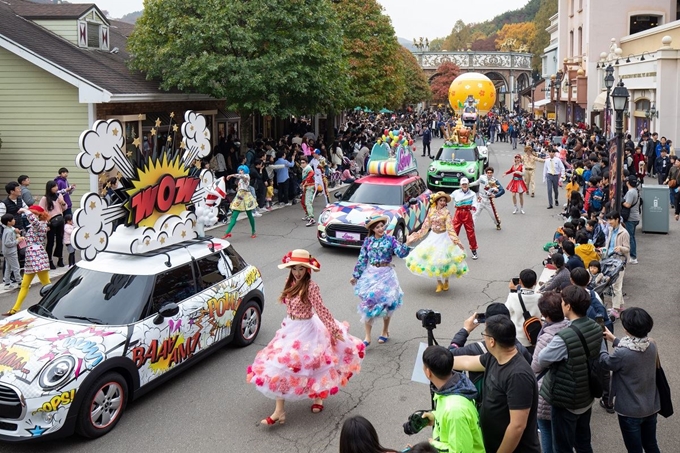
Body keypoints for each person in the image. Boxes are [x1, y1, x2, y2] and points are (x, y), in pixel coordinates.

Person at [247, 249, 363, 425]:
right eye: (294, 268)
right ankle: (279, 411)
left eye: (301, 269)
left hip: (307, 329)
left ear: (308, 269)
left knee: (314, 364)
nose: (297, 272)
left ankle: (318, 397)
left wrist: (333, 330)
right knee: (280, 365)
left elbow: (321, 309)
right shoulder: (290, 281)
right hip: (290, 327)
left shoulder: (311, 286)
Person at [451, 315, 541, 453]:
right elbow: (468, 362)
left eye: (484, 335)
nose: (484, 339)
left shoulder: (518, 375)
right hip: (492, 444)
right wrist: (441, 360)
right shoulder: (494, 357)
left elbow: (517, 426)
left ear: (492, 341)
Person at [537, 286, 603, 453]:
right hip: (586, 394)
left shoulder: (564, 337)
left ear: (568, 306)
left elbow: (542, 359)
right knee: (583, 442)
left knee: (563, 447)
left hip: (566, 399)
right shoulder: (595, 326)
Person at [600, 308, 661, 453]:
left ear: (627, 329)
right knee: (651, 444)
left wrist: (601, 342)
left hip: (630, 411)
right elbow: (633, 348)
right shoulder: (651, 345)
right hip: (651, 406)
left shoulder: (622, 353)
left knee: (634, 449)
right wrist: (614, 339)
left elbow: (605, 361)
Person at [351, 215, 412, 346]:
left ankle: (385, 331)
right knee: (369, 303)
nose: (380, 229)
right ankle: (367, 337)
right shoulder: (368, 241)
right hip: (371, 274)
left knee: (387, 303)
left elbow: (401, 254)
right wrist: (356, 275)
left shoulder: (391, 240)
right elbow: (362, 259)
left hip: (387, 274)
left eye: (381, 226)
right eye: (377, 227)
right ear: (372, 229)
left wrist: (407, 243)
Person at [420, 346, 485, 453]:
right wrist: (435, 417)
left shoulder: (454, 410)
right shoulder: (454, 387)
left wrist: (433, 445)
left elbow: (461, 451)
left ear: (428, 372)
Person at [406, 192, 467, 293]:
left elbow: (450, 228)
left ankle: (446, 281)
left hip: (444, 237)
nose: (442, 202)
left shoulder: (446, 213)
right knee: (434, 260)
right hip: (433, 236)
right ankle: (439, 282)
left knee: (446, 260)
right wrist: (416, 236)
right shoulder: (431, 211)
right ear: (437, 202)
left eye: (444, 201)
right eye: (441, 200)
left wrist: (456, 241)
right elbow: (425, 226)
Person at [531, 291, 569, 453]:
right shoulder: (570, 326)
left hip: (547, 391)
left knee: (547, 431)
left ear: (545, 315)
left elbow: (535, 366)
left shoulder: (548, 337)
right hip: (566, 387)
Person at [4, 206, 51, 316]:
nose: (29, 216)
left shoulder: (41, 225)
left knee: (47, 285)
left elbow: (34, 222)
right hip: (32, 258)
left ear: (38, 215)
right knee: (25, 285)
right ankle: (15, 309)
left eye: (32, 213)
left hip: (37, 257)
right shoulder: (37, 225)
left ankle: (54, 304)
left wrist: (25, 210)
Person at [505, 269, 542, 351]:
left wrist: (512, 290)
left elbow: (506, 312)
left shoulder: (513, 297)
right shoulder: (540, 298)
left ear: (520, 281)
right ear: (535, 282)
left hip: (518, 337)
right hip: (534, 335)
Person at [603, 211, 630, 319]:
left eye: (611, 220)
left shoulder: (624, 233)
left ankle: (616, 309)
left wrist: (621, 248)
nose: (609, 222)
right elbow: (608, 244)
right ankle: (621, 306)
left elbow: (627, 249)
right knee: (615, 285)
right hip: (611, 260)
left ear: (617, 219)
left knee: (616, 286)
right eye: (608, 219)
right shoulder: (611, 230)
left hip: (619, 262)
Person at [221, 165, 257, 239]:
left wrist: (231, 175)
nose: (240, 171)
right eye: (239, 170)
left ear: (245, 171)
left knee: (250, 215)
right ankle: (227, 232)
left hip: (246, 198)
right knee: (234, 215)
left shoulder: (247, 176)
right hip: (239, 197)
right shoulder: (241, 178)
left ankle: (253, 231)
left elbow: (241, 177)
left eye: (242, 170)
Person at [39, 180, 66, 269]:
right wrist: (45, 223)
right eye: (54, 187)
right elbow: (41, 211)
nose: (56, 188)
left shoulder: (59, 196)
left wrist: (63, 203)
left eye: (57, 186)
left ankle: (60, 258)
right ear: (49, 188)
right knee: (50, 242)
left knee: (60, 240)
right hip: (50, 222)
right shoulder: (45, 198)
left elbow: (64, 208)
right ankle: (49, 260)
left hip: (60, 221)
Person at [451, 178, 478, 259]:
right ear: (460, 185)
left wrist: (473, 207)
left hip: (467, 213)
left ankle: (474, 250)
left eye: (465, 184)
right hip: (458, 213)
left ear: (468, 184)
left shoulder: (472, 194)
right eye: (463, 184)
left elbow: (475, 203)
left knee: (470, 233)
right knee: (454, 232)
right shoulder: (456, 192)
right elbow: (448, 198)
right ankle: (451, 250)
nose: (464, 185)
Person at [621, 175, 640, 264]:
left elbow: (628, 204)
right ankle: (632, 255)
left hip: (630, 217)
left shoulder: (630, 192)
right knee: (632, 236)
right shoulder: (635, 191)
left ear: (628, 182)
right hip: (635, 216)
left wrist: (621, 201)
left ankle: (633, 256)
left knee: (630, 237)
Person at [2, 214, 23, 290]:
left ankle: (7, 283)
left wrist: (15, 230)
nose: (14, 220)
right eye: (13, 219)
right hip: (11, 252)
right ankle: (20, 282)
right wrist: (18, 240)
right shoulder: (9, 232)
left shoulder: (7, 229)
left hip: (6, 252)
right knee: (16, 267)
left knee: (8, 267)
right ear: (8, 222)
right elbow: (8, 243)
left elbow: (12, 230)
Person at [299, 157, 316, 226]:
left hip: (310, 187)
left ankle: (311, 218)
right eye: (301, 163)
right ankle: (307, 214)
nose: (302, 164)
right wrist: (303, 183)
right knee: (303, 202)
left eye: (303, 163)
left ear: (306, 163)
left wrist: (305, 182)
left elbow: (312, 174)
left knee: (308, 202)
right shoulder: (305, 168)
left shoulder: (308, 168)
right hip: (306, 187)